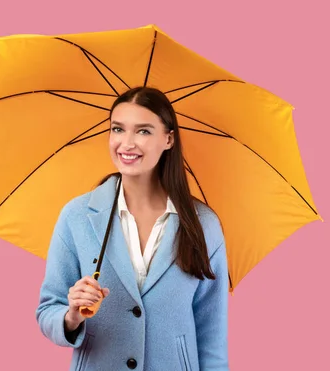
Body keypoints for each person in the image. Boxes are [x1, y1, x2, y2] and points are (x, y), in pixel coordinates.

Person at [35, 86, 229, 370]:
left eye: (144, 131)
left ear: (168, 139)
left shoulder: (203, 224)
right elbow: (47, 310)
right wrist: (71, 316)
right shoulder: (76, 216)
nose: (127, 143)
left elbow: (212, 336)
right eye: (117, 129)